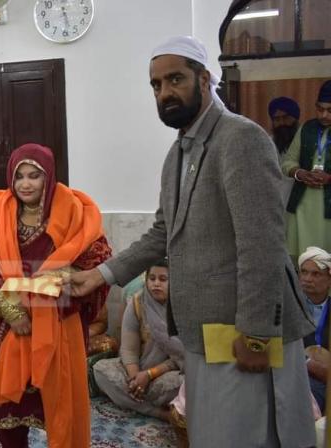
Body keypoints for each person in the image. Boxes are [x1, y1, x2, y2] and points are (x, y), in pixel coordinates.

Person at [68, 36, 316, 447]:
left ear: (204, 79)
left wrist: (255, 333)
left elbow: (263, 245)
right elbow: (162, 234)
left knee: (255, 435)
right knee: (219, 434)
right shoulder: (178, 155)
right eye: (156, 85)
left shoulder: (240, 139)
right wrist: (100, 275)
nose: (165, 92)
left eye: (175, 79)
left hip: (245, 332)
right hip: (207, 334)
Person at [0, 143, 111, 448]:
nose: (26, 184)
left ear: (49, 177)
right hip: (8, 327)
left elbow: (96, 262)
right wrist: (11, 309)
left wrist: (57, 282)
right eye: (19, 177)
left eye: (34, 175)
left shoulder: (73, 212)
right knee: (4, 409)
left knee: (59, 404)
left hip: (58, 325)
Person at [93, 259, 184, 420]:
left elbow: (181, 356)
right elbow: (128, 349)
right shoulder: (137, 302)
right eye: (152, 278)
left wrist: (149, 375)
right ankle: (160, 413)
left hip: (166, 373)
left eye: (163, 279)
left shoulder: (182, 308)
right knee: (100, 370)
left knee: (185, 383)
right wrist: (135, 378)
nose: (156, 283)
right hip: (139, 368)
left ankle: (137, 402)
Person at [282, 80, 331, 262]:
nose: (324, 115)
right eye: (320, 109)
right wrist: (299, 173)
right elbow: (287, 162)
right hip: (302, 207)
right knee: (303, 258)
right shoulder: (307, 128)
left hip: (328, 211)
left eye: (330, 110)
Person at [301, 247, 331, 411]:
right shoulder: (290, 309)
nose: (307, 279)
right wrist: (308, 364)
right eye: (304, 272)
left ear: (329, 280)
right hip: (300, 375)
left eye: (315, 274)